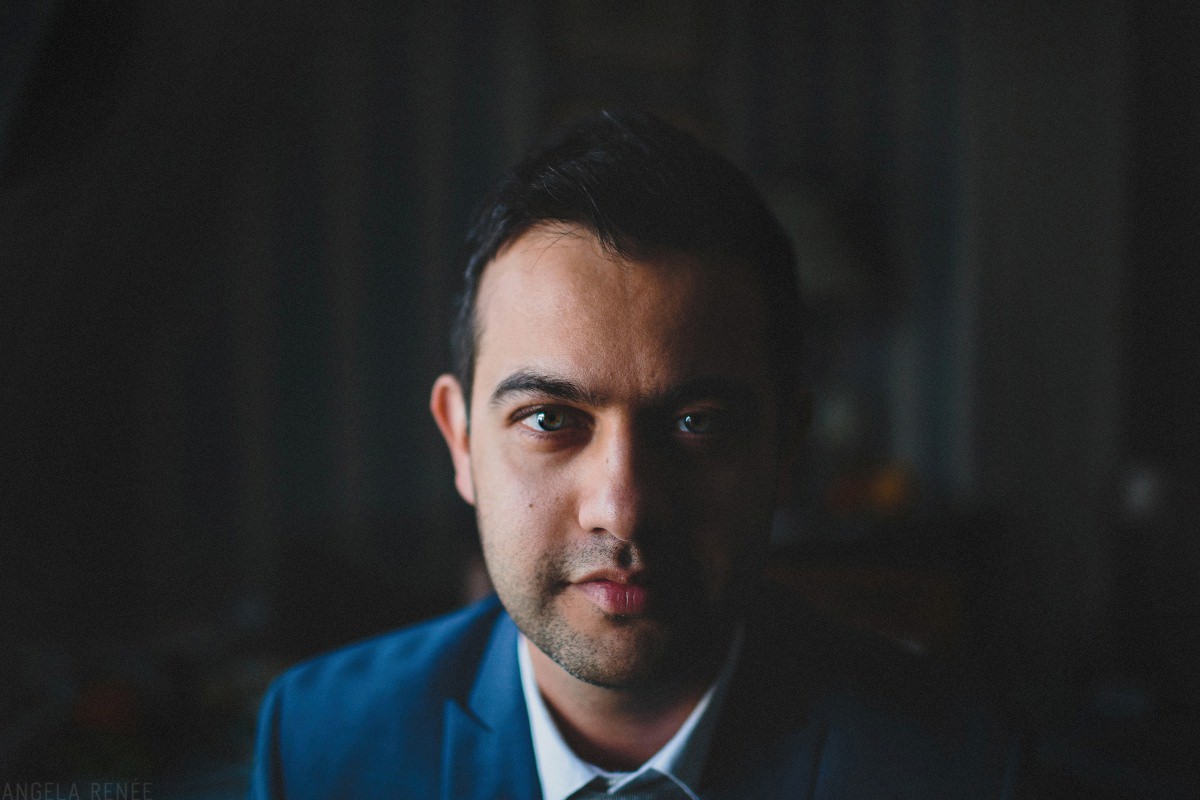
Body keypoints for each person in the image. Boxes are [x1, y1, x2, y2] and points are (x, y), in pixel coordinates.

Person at [247, 110, 1022, 799]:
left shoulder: (951, 766)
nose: (622, 508)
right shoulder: (320, 745)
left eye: (697, 424)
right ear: (460, 440)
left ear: (787, 447)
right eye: (550, 418)